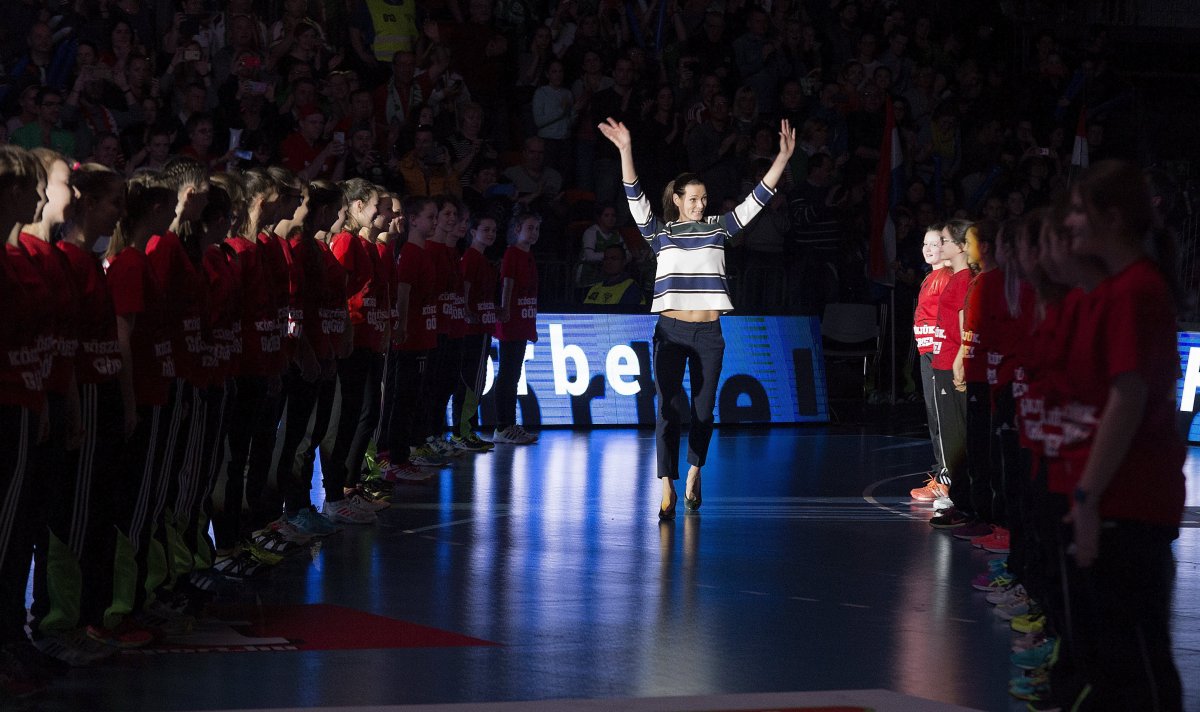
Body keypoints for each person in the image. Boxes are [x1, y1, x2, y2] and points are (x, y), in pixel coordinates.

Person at [598, 115, 795, 519]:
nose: (700, 204)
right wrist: (625, 149)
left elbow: (757, 199)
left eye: (704, 199)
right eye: (693, 199)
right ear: (678, 200)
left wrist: (782, 158)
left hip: (709, 331)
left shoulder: (720, 229)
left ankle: (693, 471)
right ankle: (665, 482)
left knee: (704, 411)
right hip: (670, 331)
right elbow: (633, 192)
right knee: (668, 408)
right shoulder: (658, 233)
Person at [1058, 160, 1185, 711]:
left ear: (1112, 218)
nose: (1071, 223)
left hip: (1132, 500)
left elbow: (1127, 398)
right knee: (1118, 656)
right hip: (1118, 495)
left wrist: (1087, 495)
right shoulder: (1121, 290)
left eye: (1081, 210)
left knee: (1138, 658)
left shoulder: (1136, 291)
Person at [908, 223, 951, 502]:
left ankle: (945, 480)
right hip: (927, 351)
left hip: (937, 352)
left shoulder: (946, 276)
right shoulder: (930, 276)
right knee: (933, 415)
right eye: (925, 243)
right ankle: (940, 474)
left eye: (934, 244)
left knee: (941, 416)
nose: (928, 249)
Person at [492, 209, 541, 445]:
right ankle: (503, 425)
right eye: (529, 228)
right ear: (517, 230)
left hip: (522, 321)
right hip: (512, 322)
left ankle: (509, 424)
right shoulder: (512, 253)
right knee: (508, 375)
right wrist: (505, 310)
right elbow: (508, 283)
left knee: (514, 374)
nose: (534, 233)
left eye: (536, 229)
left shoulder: (528, 256)